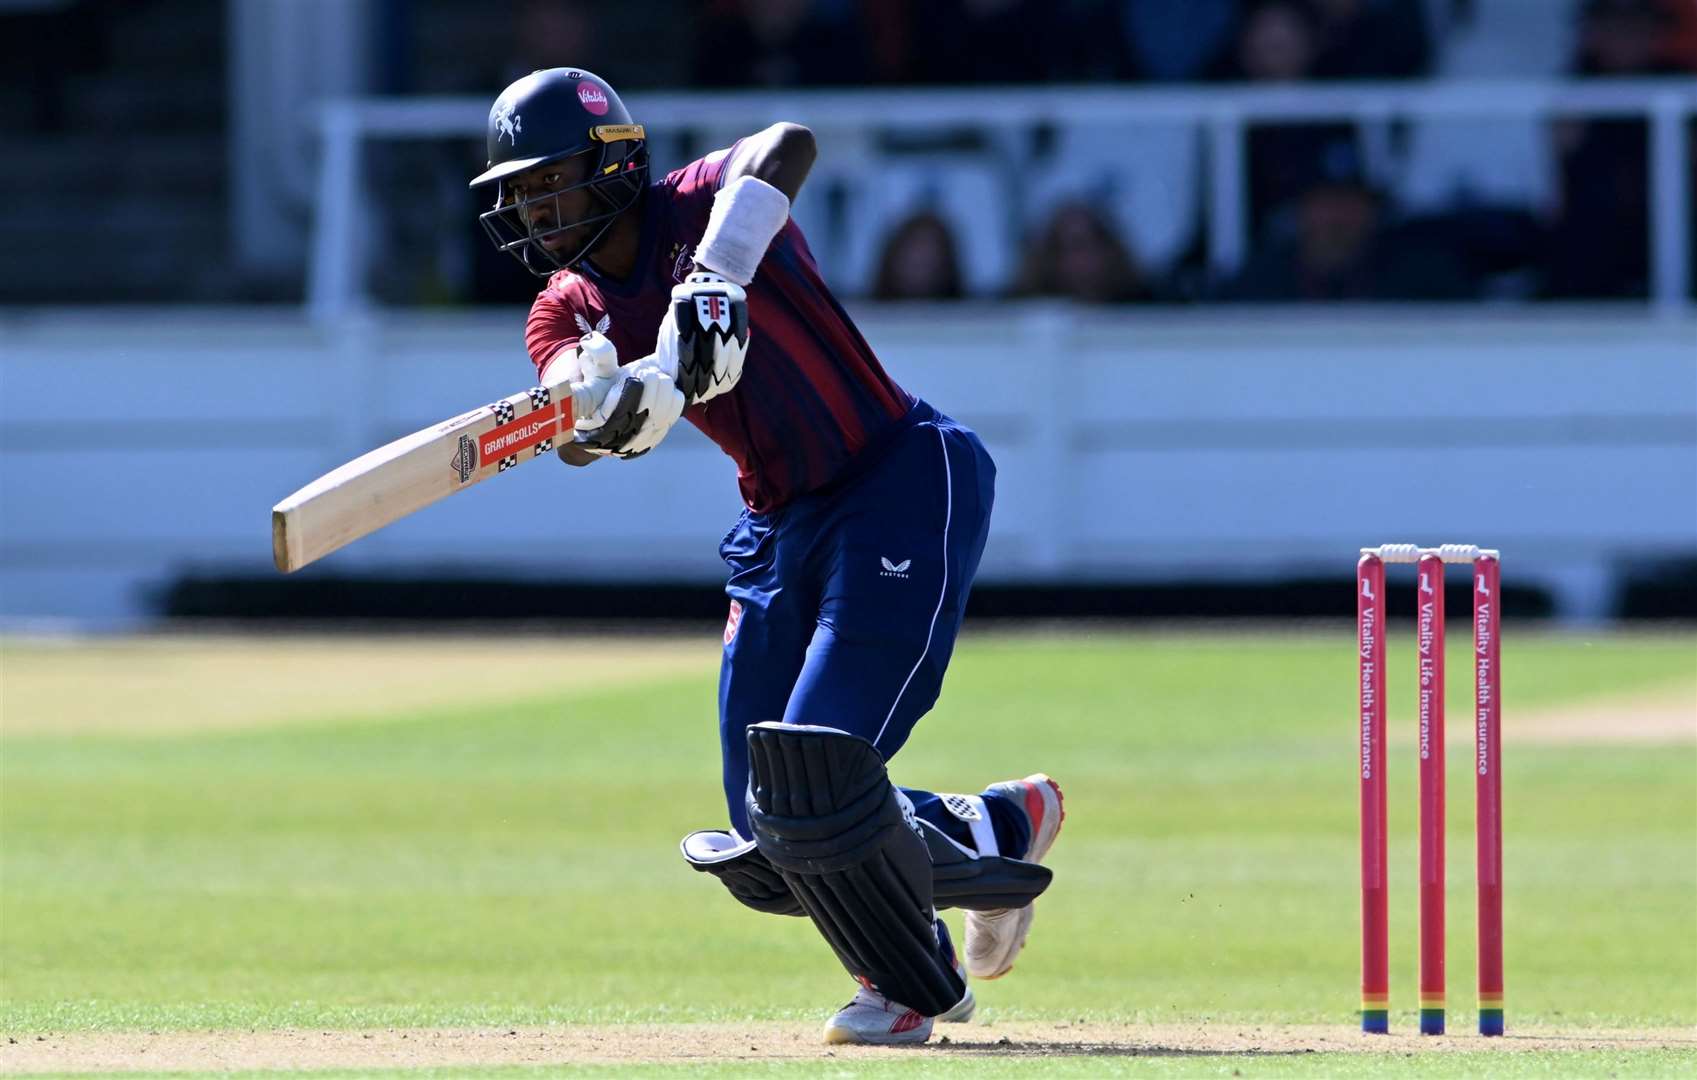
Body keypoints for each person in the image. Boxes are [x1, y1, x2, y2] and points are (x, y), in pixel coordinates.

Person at [467, 68, 1065, 1046]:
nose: (537, 211)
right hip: (777, 527)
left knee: (818, 772)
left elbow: (785, 141)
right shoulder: (562, 304)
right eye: (521, 195)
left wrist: (714, 279)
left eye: (551, 184)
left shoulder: (699, 208)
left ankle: (902, 985)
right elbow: (569, 412)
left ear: (612, 165)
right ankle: (991, 828)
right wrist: (610, 401)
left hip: (900, 483)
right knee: (765, 816)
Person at [871, 210, 966, 300]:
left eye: (928, 262)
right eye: (912, 261)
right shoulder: (863, 312)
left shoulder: (969, 314)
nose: (920, 264)